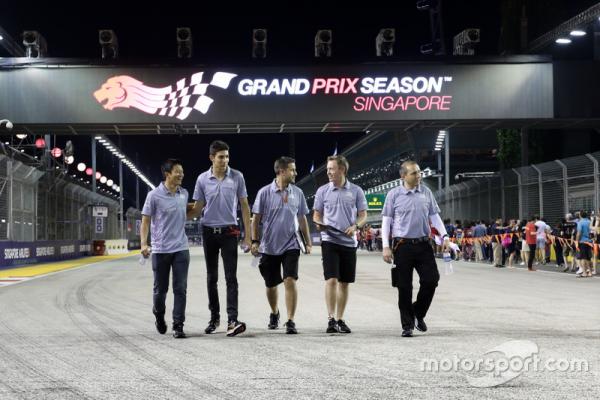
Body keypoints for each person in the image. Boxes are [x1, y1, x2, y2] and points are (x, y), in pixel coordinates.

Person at [189, 140, 251, 337]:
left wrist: (248, 237)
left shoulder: (237, 177)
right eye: (221, 157)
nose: (225, 160)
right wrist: (173, 214)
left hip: (230, 232)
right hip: (208, 231)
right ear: (211, 158)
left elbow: (244, 206)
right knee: (212, 278)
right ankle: (214, 318)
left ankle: (232, 319)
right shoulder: (202, 179)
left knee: (231, 277)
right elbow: (197, 209)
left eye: (227, 156)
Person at [382, 160, 449, 338]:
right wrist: (386, 247)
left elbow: (435, 217)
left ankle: (418, 312)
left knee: (431, 280)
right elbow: (386, 222)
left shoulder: (426, 192)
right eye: (414, 173)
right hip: (402, 246)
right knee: (404, 287)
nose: (418, 175)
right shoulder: (394, 195)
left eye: (419, 172)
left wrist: (445, 236)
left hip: (423, 245)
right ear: (403, 176)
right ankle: (407, 325)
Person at [250, 157, 312, 334]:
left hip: (291, 244)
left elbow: (302, 219)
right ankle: (274, 312)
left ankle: (291, 320)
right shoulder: (264, 193)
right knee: (271, 285)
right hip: (269, 247)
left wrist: (307, 242)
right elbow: (256, 220)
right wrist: (255, 241)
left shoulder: (298, 193)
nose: (295, 173)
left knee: (290, 280)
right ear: (281, 171)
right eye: (292, 170)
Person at [313, 155, 367, 334]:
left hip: (349, 242)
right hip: (329, 239)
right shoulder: (322, 191)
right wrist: (319, 223)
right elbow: (316, 214)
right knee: (332, 279)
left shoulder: (356, 191)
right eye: (327, 169)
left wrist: (356, 226)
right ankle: (331, 319)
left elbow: (362, 214)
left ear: (342, 170)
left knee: (344, 282)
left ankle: (341, 318)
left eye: (331, 169)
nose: (328, 172)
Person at [140, 159, 191, 339]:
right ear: (167, 174)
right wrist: (144, 243)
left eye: (182, 171)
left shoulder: (184, 193)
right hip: (161, 250)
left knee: (181, 288)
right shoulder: (153, 195)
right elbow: (145, 220)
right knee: (160, 290)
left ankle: (178, 324)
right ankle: (159, 314)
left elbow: (189, 212)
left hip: (181, 248)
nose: (181, 174)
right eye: (178, 171)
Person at [576, 211, 593, 277]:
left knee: (583, 257)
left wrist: (577, 240)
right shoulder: (589, 222)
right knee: (588, 257)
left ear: (580, 215)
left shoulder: (580, 222)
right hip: (589, 241)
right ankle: (590, 272)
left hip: (582, 241)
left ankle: (584, 273)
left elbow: (579, 232)